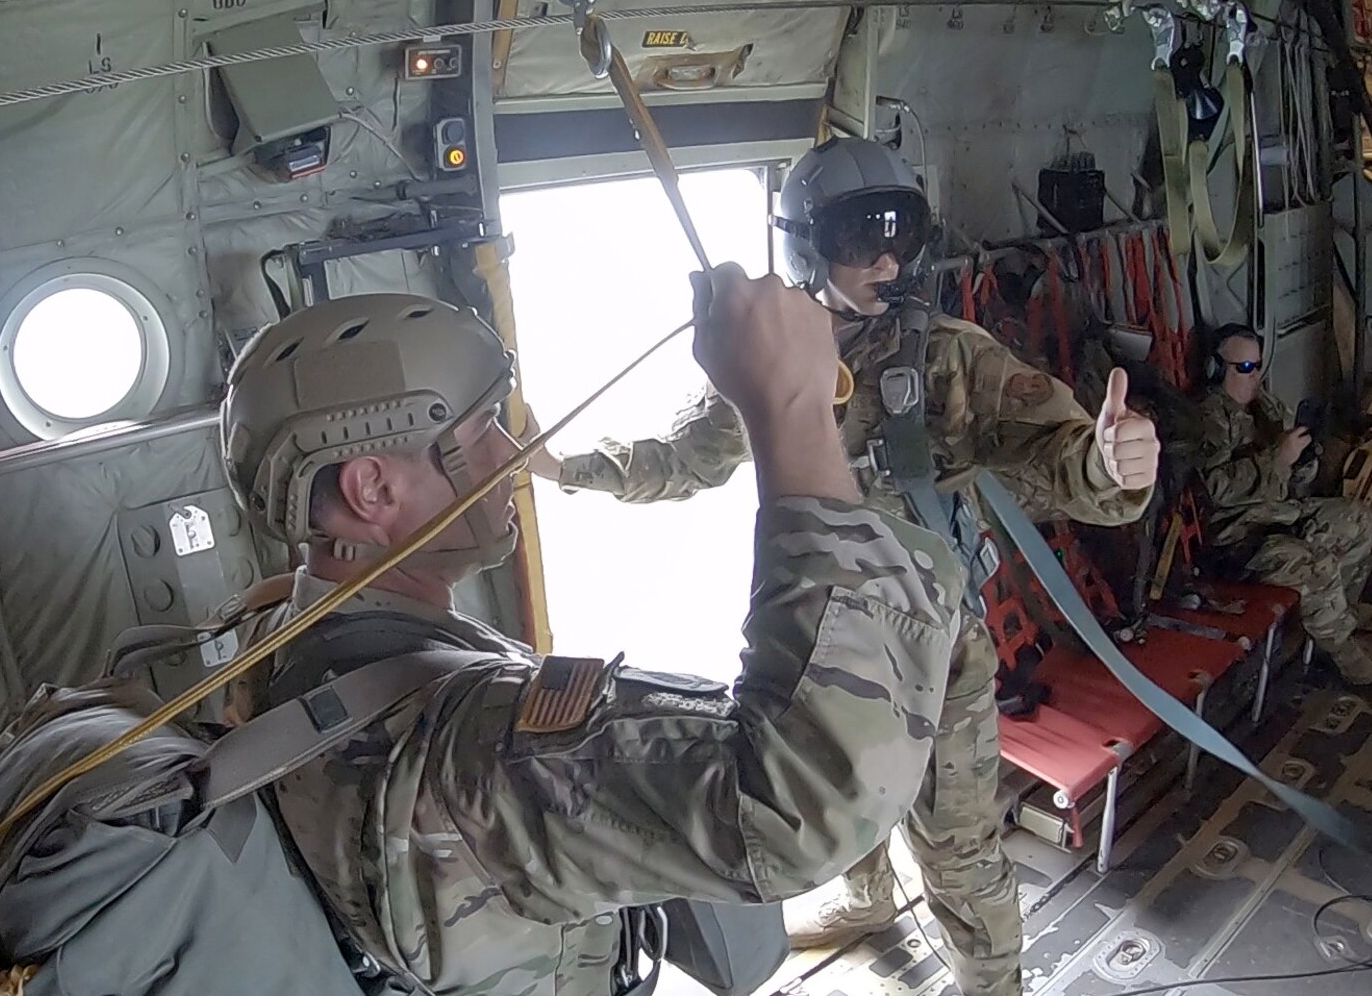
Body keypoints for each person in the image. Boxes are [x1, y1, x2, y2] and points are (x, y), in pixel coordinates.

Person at [207, 268, 967, 994]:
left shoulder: (282, 637)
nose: (510, 460)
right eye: (479, 435)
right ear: (372, 489)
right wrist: (793, 407)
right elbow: (812, 795)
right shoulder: (471, 754)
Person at [527, 137, 1161, 996]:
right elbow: (686, 456)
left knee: (959, 849)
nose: (887, 258)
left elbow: (1057, 449)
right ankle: (867, 900)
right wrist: (565, 469)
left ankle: (996, 986)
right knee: (838, 803)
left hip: (931, 647)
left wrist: (1114, 462)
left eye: (901, 232)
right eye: (859, 236)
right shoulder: (778, 347)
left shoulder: (948, 355)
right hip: (822, 636)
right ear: (807, 242)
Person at [1195, 323, 1372, 686]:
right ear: (1217, 368)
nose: (1254, 376)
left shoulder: (1265, 406)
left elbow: (1293, 481)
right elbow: (1213, 489)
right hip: (1238, 537)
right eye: (1244, 368)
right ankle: (1343, 652)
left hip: (1280, 512)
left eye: (1258, 365)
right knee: (1315, 563)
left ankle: (1333, 625)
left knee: (1356, 518)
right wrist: (1277, 459)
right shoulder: (1207, 419)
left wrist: (1304, 458)